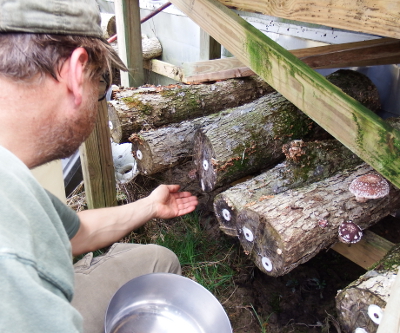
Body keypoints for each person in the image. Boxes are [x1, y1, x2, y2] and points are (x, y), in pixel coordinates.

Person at [0, 0, 198, 332]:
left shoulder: (13, 181)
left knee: (156, 261)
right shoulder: (10, 260)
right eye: (100, 84)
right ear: (76, 74)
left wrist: (150, 205)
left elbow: (73, 233)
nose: (99, 99)